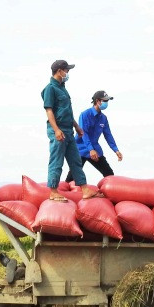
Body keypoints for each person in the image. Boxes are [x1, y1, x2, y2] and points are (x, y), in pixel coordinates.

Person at [41, 60, 102, 202]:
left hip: (69, 130)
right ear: (59, 71)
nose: (67, 73)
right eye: (66, 70)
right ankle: (53, 191)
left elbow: (67, 111)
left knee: (75, 160)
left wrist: (76, 127)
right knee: (57, 161)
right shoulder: (50, 89)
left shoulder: (63, 88)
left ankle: (85, 189)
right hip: (58, 129)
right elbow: (49, 111)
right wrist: (56, 130)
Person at [65, 90, 123, 183]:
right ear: (97, 101)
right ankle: (64, 193)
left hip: (95, 150)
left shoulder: (103, 118)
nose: (106, 103)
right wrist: (90, 149)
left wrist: (116, 150)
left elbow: (108, 135)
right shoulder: (85, 114)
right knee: (72, 177)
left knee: (109, 174)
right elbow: (84, 133)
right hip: (80, 149)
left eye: (107, 101)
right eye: (105, 101)